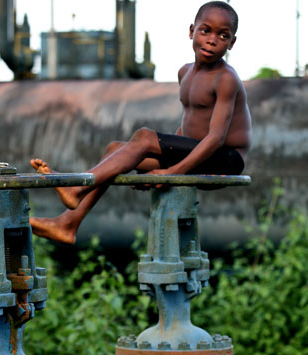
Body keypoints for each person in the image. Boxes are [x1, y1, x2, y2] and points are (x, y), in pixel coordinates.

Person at [30, 1, 252, 244]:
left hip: (226, 158)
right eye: (205, 30)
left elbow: (215, 138)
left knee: (145, 137)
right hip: (200, 151)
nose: (212, 40)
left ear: (232, 43)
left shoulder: (226, 79)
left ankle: (77, 186)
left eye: (223, 35)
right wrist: (158, 158)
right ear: (191, 31)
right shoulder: (185, 73)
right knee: (116, 149)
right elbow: (188, 127)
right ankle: (67, 224)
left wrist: (172, 173)